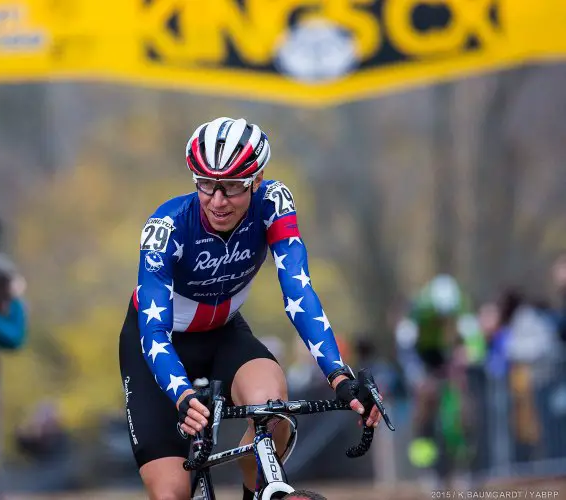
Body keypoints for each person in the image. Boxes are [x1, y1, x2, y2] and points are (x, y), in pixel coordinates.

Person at [119, 117, 383, 500]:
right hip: (157, 345)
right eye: (206, 185)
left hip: (224, 333)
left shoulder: (273, 203)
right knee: (171, 492)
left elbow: (299, 292)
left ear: (257, 180)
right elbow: (154, 331)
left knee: (272, 410)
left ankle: (258, 492)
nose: (217, 200)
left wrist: (338, 375)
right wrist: (182, 395)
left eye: (232, 187)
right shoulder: (167, 226)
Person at [394, 274, 483, 480]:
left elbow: (474, 339)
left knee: (461, 412)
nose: (443, 319)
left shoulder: (460, 307)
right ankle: (428, 469)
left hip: (447, 359)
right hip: (423, 361)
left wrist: (468, 355)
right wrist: (418, 377)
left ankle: (463, 467)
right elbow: (405, 349)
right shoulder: (418, 311)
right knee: (424, 411)